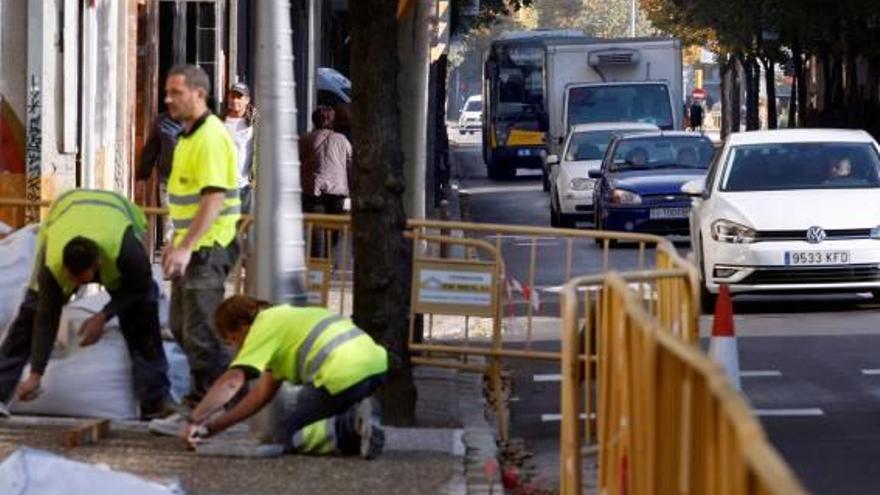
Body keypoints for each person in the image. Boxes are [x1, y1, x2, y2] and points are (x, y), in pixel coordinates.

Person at [0, 189, 173, 419]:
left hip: (115, 213)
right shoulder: (52, 264)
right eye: (70, 278)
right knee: (29, 316)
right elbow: (46, 317)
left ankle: (154, 403)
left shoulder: (126, 251)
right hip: (66, 208)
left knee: (143, 318)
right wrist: (36, 374)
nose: (74, 286)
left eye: (80, 279)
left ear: (96, 265)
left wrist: (104, 315)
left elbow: (138, 288)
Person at [150, 64, 241, 434]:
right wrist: (175, 242)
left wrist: (185, 245)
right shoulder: (187, 137)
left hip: (210, 247)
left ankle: (208, 410)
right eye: (168, 92)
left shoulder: (210, 137)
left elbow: (213, 198)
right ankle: (209, 402)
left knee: (202, 334)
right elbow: (188, 201)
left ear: (199, 94)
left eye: (176, 92)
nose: (168, 99)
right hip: (194, 246)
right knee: (182, 328)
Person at [180, 295, 387, 459]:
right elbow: (260, 395)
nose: (237, 348)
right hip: (375, 368)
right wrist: (211, 428)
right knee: (302, 417)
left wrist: (194, 418)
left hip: (343, 375)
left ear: (243, 325)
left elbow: (233, 381)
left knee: (281, 435)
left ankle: (351, 423)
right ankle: (363, 422)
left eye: (234, 340)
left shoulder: (262, 328)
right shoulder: (284, 319)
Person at [300, 106, 352, 258]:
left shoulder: (306, 139)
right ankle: (328, 260)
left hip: (313, 190)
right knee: (334, 228)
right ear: (332, 120)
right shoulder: (342, 140)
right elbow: (351, 162)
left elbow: (296, 160)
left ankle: (317, 266)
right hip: (338, 192)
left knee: (316, 229)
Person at [136, 112, 183, 244]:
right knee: (169, 225)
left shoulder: (200, 120)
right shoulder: (162, 122)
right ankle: (171, 255)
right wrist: (143, 176)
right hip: (168, 181)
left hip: (194, 184)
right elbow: (151, 149)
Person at [223, 82, 257, 214]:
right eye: (232, 96)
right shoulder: (220, 121)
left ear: (247, 100)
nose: (234, 100)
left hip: (247, 185)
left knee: (249, 229)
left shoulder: (255, 123)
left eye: (239, 97)